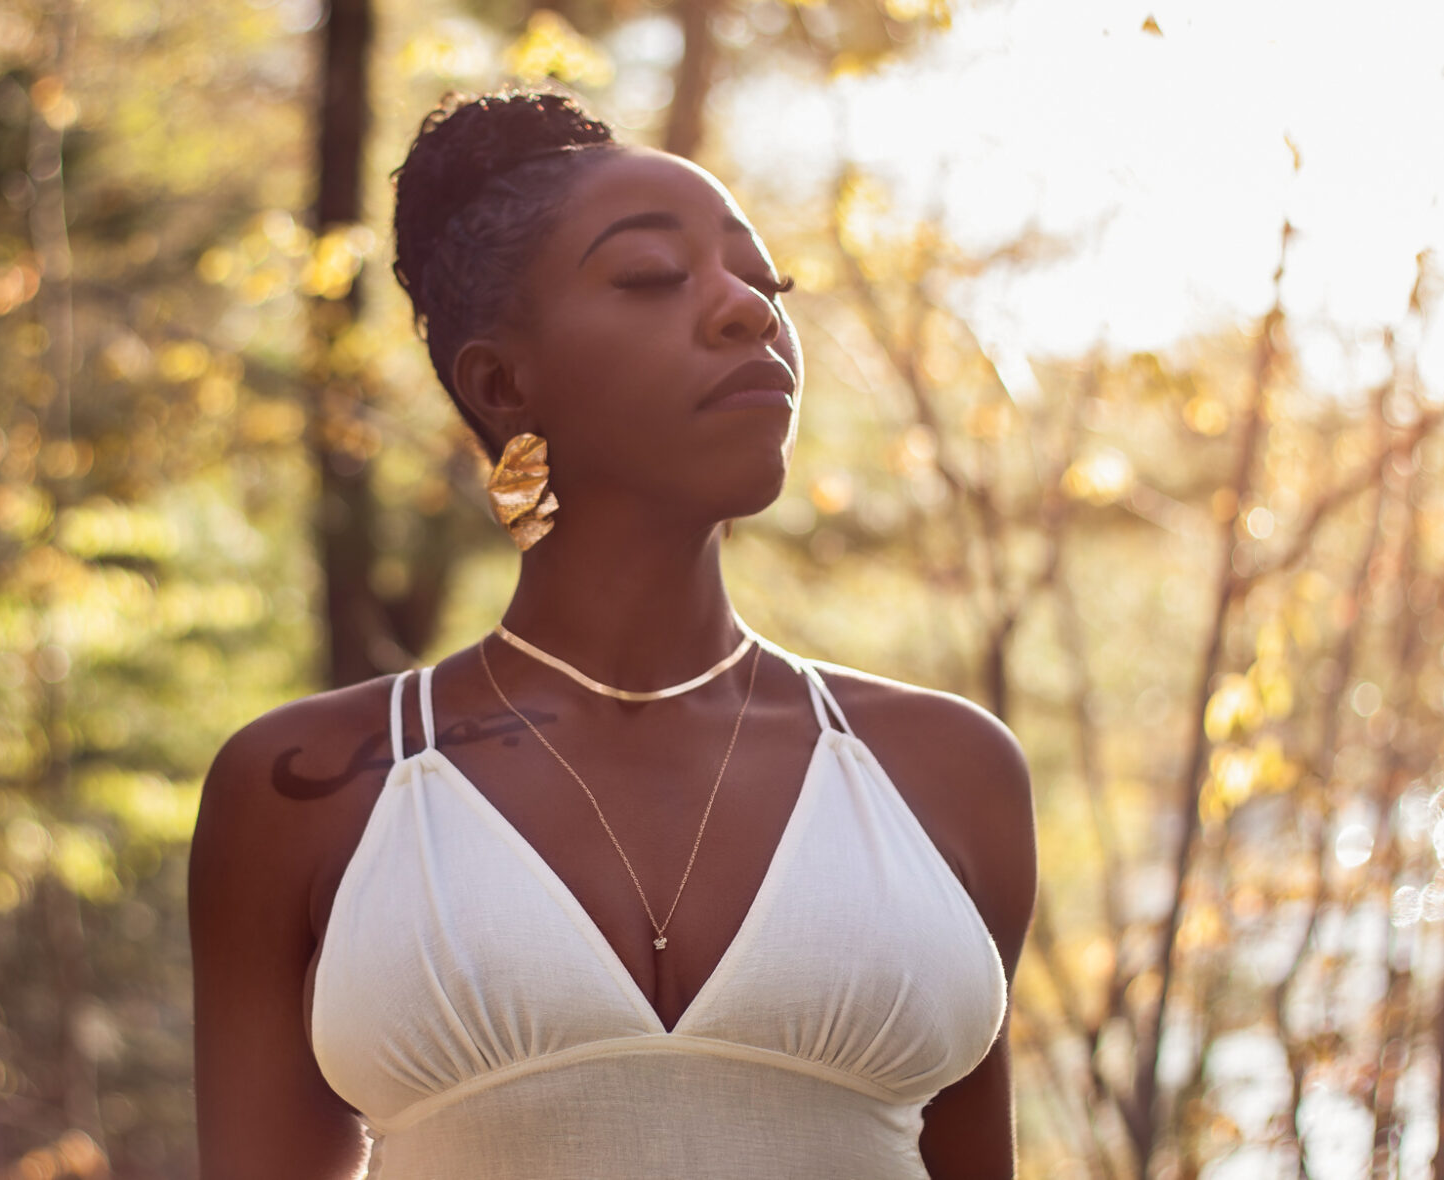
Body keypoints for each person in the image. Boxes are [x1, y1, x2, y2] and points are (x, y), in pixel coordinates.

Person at [188, 89, 1036, 1180]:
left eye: (762, 281)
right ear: (501, 382)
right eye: (649, 277)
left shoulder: (946, 771)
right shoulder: (303, 789)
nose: (748, 313)